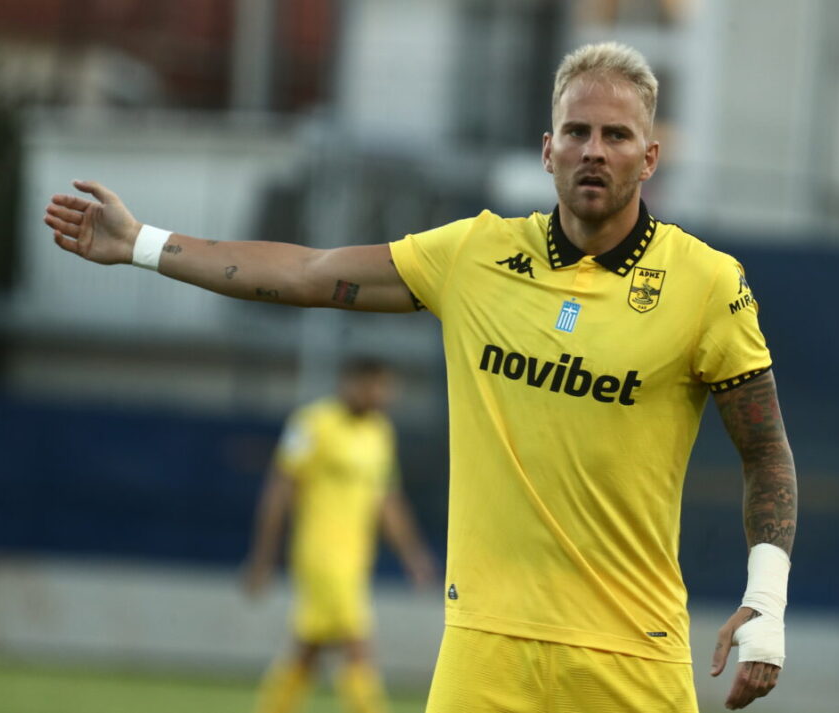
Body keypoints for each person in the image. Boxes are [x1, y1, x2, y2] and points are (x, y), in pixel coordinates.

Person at [44, 42, 797, 712]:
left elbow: (766, 452)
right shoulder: (475, 256)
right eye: (576, 132)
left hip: (631, 654)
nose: (593, 150)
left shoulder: (705, 283)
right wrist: (141, 243)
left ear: (650, 156)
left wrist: (766, 602)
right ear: (548, 150)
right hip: (484, 649)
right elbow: (309, 272)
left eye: (616, 135)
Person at [243, 356, 435, 713]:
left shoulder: (380, 433)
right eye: (375, 387)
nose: (383, 395)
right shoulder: (313, 424)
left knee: (309, 648)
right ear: (351, 384)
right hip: (320, 555)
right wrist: (263, 556)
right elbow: (280, 490)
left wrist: (413, 555)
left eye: (386, 388)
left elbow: (387, 501)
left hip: (356, 557)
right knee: (356, 644)